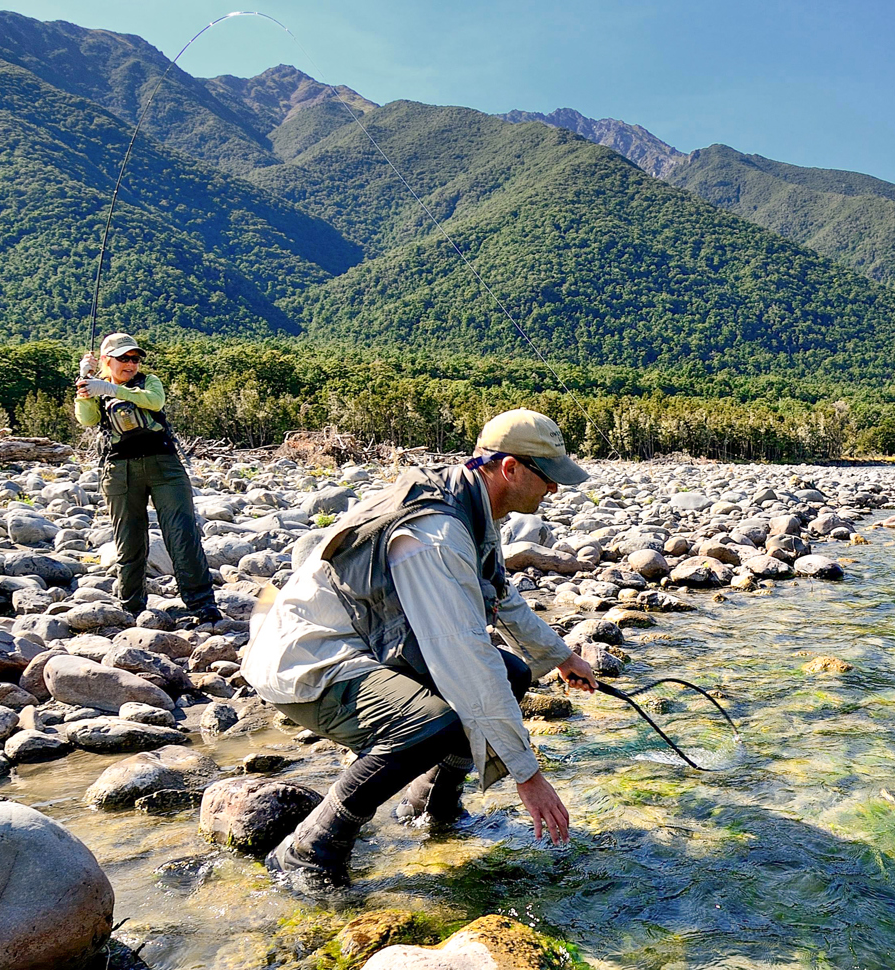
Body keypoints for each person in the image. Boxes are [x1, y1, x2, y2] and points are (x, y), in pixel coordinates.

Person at [241, 408, 600, 890]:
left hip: (362, 643)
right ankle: (309, 850)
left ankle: (431, 806)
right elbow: (466, 661)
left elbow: (499, 593)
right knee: (434, 720)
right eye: (548, 476)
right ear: (510, 468)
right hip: (308, 662)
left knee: (513, 674)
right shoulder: (437, 535)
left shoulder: (471, 500)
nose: (554, 488)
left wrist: (560, 656)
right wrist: (527, 775)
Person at [75, 333, 222, 626]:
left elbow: (154, 402)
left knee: (182, 535)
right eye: (123, 358)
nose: (131, 364)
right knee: (128, 540)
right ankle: (131, 607)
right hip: (119, 470)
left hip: (165, 466)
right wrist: (84, 381)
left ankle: (202, 605)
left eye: (135, 359)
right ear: (106, 360)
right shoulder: (94, 386)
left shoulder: (149, 382)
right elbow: (87, 419)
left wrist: (109, 388)